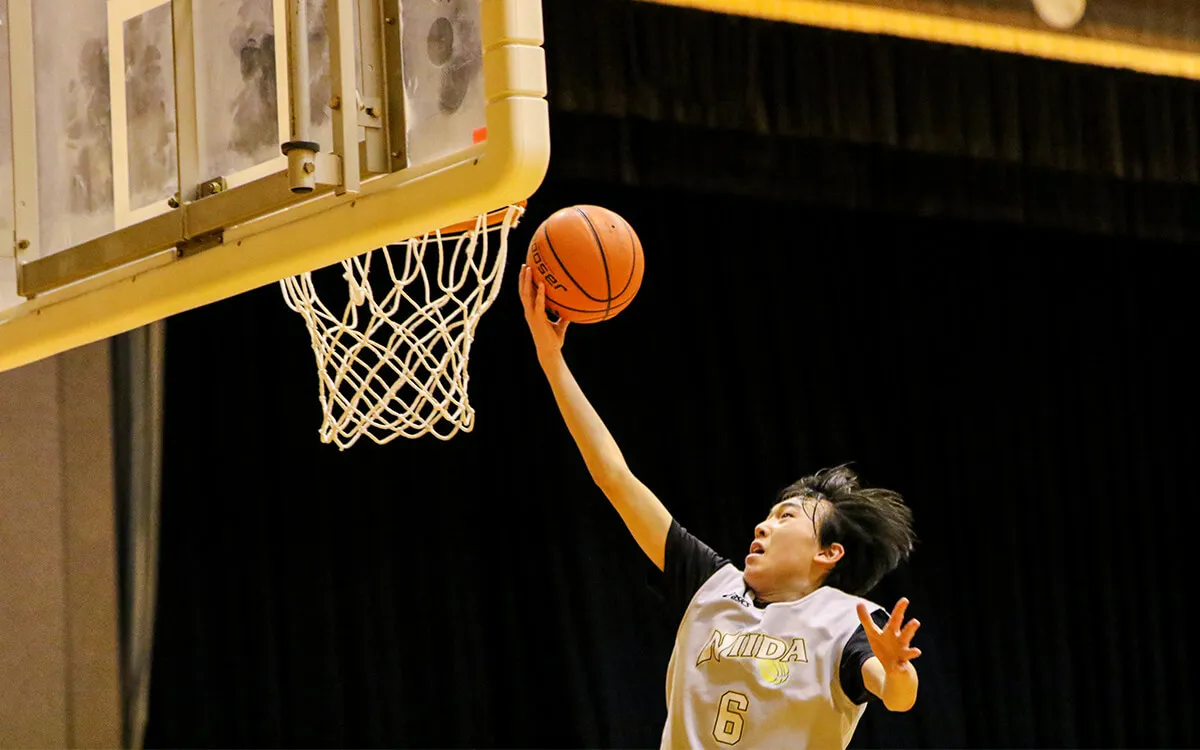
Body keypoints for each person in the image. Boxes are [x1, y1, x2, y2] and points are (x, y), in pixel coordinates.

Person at [518, 265, 923, 749]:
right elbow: (614, 477)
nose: (764, 525)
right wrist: (551, 359)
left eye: (786, 517)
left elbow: (896, 695)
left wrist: (898, 670)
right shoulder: (709, 584)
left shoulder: (845, 620)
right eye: (770, 514)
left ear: (828, 552)